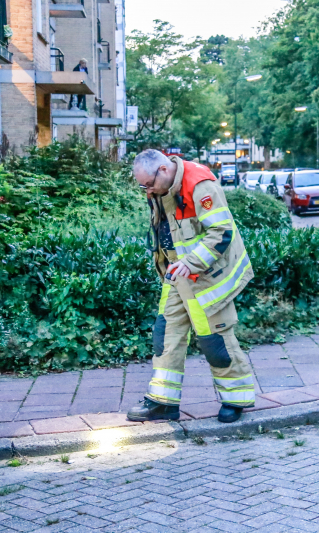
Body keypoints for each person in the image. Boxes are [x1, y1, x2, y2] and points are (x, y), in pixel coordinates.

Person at [128, 149, 256, 424]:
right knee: (166, 334)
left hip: (205, 277)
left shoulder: (199, 184)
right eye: (143, 187)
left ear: (163, 170)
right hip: (176, 274)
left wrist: (192, 262)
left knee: (215, 340)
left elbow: (221, 232)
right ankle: (163, 402)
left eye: (149, 185)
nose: (147, 192)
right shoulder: (160, 190)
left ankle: (236, 398)